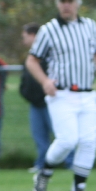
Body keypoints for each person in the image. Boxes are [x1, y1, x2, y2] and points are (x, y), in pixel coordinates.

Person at [28, 0, 96, 191]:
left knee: (89, 141)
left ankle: (78, 188)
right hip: (61, 94)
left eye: (70, 1)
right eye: (63, 1)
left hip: (86, 93)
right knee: (67, 140)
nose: (66, 5)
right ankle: (44, 172)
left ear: (77, 3)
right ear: (58, 4)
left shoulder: (89, 25)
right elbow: (32, 60)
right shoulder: (49, 29)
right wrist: (45, 81)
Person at [18, 22, 73, 172]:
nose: (23, 41)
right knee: (40, 136)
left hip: (52, 102)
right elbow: (26, 80)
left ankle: (70, 163)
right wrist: (25, 92)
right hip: (35, 104)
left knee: (63, 134)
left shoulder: (51, 55)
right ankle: (42, 163)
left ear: (33, 35)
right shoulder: (30, 57)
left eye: (25, 37)